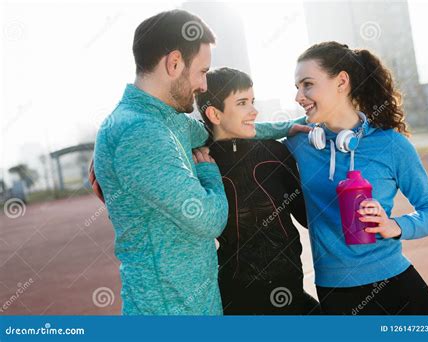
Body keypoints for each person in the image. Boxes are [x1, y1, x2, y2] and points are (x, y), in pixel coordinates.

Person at [92, 9, 310, 315]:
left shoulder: (167, 121)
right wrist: (208, 172)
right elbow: (208, 219)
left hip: (198, 304)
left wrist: (287, 127)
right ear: (174, 63)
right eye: (203, 71)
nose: (204, 85)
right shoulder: (139, 131)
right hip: (168, 311)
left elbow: (223, 128)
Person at [284, 41, 428, 315]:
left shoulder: (392, 145)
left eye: (307, 84)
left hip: (400, 292)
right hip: (335, 293)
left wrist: (394, 225)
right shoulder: (299, 143)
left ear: (341, 81)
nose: (299, 96)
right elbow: (248, 135)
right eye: (297, 87)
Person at [196, 67, 320, 315]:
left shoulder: (275, 153)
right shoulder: (199, 164)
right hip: (236, 300)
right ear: (214, 113)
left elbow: (309, 218)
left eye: (252, 101)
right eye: (242, 103)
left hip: (293, 292)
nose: (254, 110)